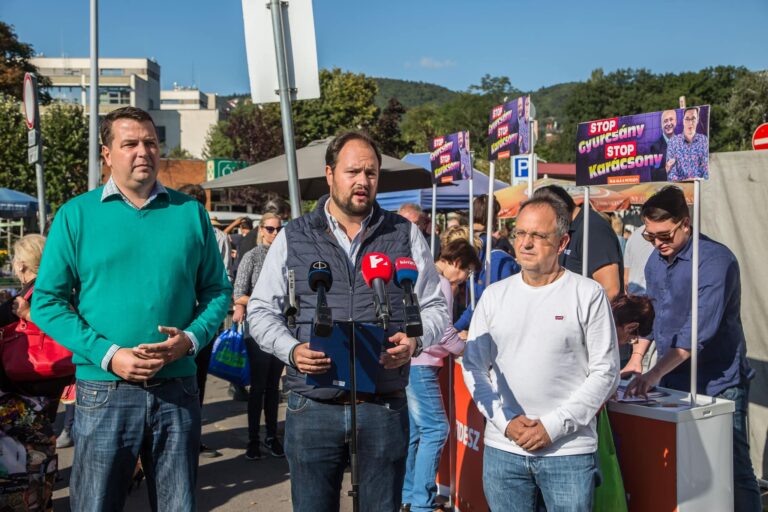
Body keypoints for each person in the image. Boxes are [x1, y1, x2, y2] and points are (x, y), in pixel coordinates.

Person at [31, 106, 232, 511]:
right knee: (96, 504)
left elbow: (218, 291)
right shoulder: (76, 215)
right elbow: (46, 303)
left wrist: (190, 339)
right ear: (107, 154)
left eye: (151, 142)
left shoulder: (190, 213)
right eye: (130, 144)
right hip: (104, 389)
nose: (144, 151)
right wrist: (110, 354)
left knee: (177, 505)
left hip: (177, 387)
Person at [248, 131, 449, 512]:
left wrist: (415, 342)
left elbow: (436, 307)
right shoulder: (294, 235)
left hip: (382, 407)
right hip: (312, 406)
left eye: (371, 173)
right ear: (330, 174)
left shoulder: (404, 233)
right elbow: (260, 311)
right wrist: (291, 350)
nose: (363, 181)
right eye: (353, 171)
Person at [462, 193, 619, 512]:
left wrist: (553, 427)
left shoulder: (587, 294)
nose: (526, 243)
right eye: (520, 233)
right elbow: (473, 365)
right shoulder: (494, 296)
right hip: (504, 449)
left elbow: (606, 372)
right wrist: (505, 422)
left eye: (538, 235)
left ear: (562, 243)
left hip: (567, 452)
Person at [625, 186, 761, 511]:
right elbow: (656, 317)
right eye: (650, 236)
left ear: (685, 223)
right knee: (685, 467)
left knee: (733, 468)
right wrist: (637, 357)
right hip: (674, 380)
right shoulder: (656, 262)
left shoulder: (715, 261)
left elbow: (697, 333)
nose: (657, 244)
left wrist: (654, 372)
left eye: (664, 235)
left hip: (718, 383)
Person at [402, 238, 480, 512]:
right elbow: (443, 330)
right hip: (423, 363)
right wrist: (464, 348)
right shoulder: (441, 282)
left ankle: (409, 496)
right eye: (467, 272)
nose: (465, 279)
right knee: (436, 429)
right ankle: (422, 503)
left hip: (411, 361)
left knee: (416, 432)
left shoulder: (421, 275)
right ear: (457, 263)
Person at [177, 183, 227, 459]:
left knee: (196, 382)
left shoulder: (216, 236)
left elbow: (220, 282)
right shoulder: (169, 229)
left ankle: (192, 437)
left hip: (201, 322)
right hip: (175, 321)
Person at [232, 212, 286, 460]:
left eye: (278, 229)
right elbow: (238, 294)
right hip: (257, 329)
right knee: (258, 387)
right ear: (261, 230)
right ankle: (253, 439)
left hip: (282, 327)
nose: (275, 233)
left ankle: (272, 436)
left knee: (274, 387)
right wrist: (263, 300)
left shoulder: (286, 256)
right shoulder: (252, 256)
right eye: (270, 229)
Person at [535, 185, 623, 301]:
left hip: (588, 311)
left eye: (544, 219)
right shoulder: (569, 228)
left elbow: (610, 290)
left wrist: (575, 310)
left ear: (558, 211)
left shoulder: (593, 229)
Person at [454, 195, 520, 334]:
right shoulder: (481, 246)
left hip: (490, 327)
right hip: (477, 323)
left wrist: (457, 328)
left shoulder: (495, 258)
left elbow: (489, 302)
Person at [665, 106, 709, 181]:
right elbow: (671, 173)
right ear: (683, 120)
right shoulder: (673, 142)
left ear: (697, 120)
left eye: (693, 118)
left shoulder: (704, 140)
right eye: (687, 119)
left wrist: (698, 180)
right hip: (680, 186)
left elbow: (706, 170)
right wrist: (685, 181)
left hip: (700, 185)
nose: (690, 123)